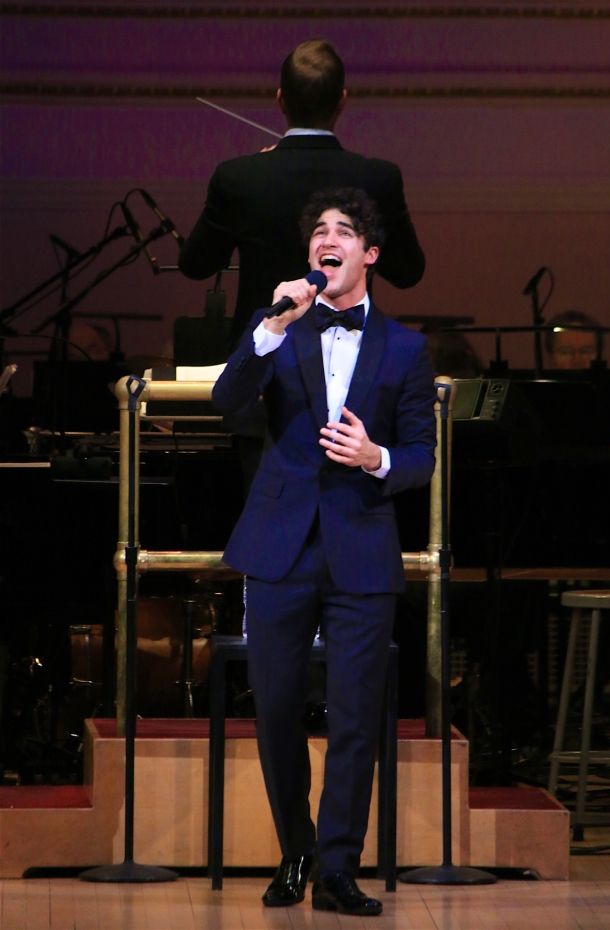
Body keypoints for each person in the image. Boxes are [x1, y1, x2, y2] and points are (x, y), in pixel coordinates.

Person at [212, 188, 436, 916]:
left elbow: (421, 457)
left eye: (343, 232)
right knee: (275, 706)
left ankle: (338, 866)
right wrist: (273, 324)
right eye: (317, 232)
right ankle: (296, 850)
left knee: (355, 715)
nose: (326, 240)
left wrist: (376, 458)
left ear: (369, 254)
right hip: (279, 545)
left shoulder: (405, 346)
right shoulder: (279, 327)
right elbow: (226, 400)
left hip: (362, 546)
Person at [178, 39, 425, 350]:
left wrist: (254, 178)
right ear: (341, 102)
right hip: (350, 362)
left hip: (263, 365)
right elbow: (407, 273)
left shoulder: (239, 178)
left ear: (281, 101)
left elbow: (195, 265)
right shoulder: (377, 179)